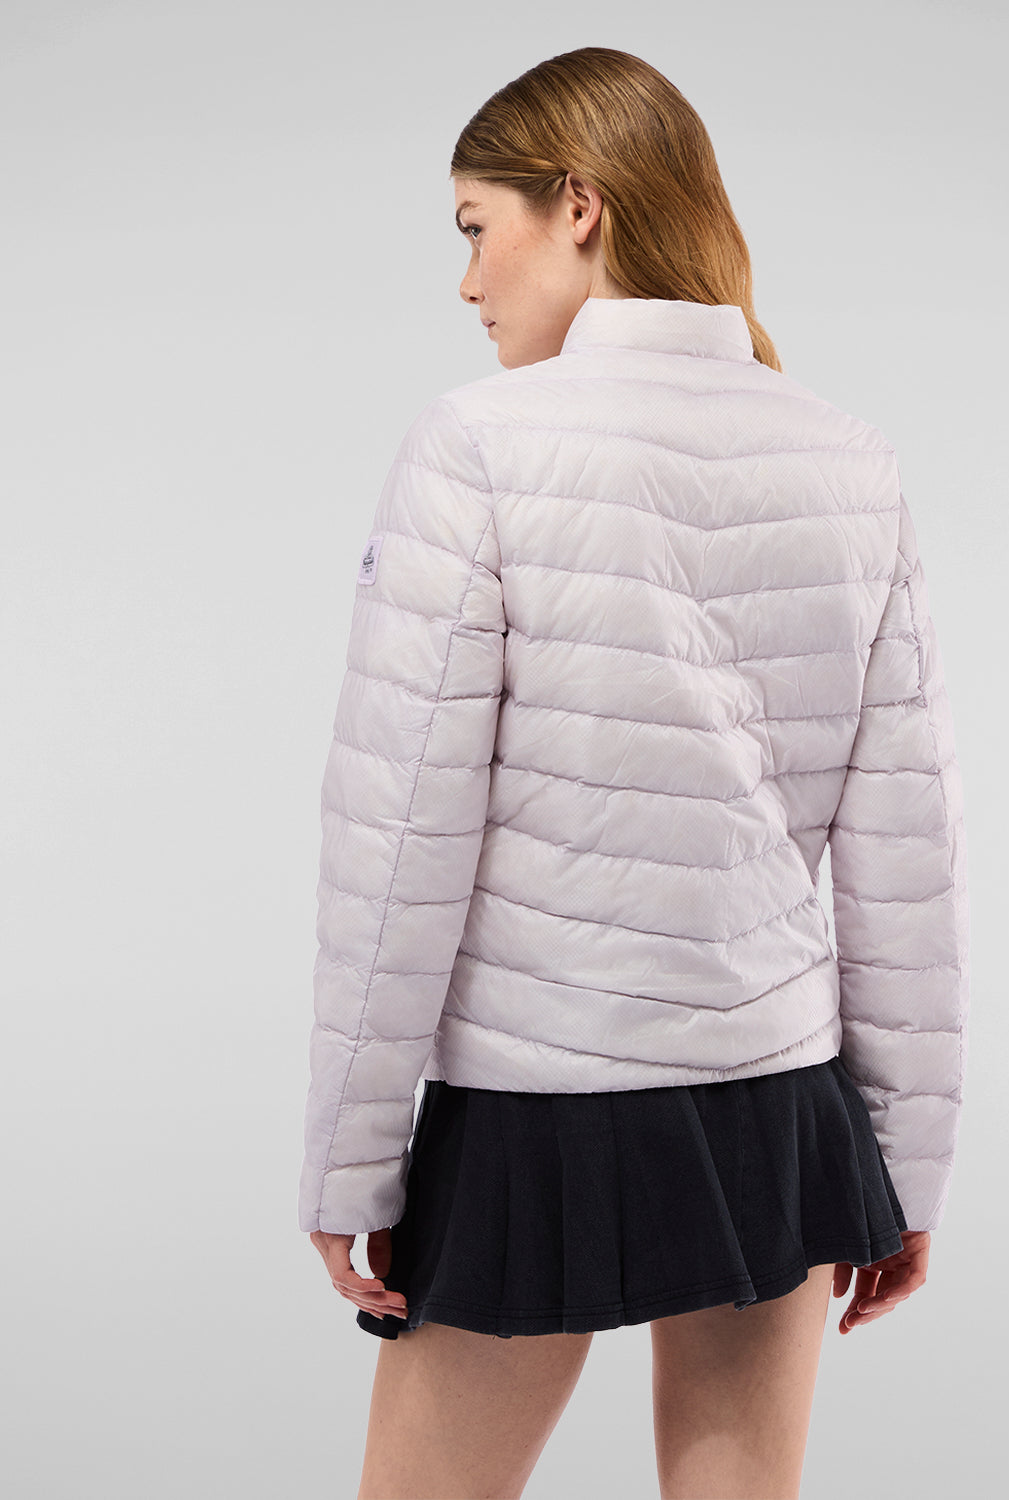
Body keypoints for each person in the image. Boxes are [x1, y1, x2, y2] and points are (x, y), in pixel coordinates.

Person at [298, 45, 970, 1500]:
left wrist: (351, 1162)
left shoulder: (478, 447)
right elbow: (909, 855)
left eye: (476, 227)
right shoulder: (849, 457)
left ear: (580, 205)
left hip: (538, 1095)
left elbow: (400, 836)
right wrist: (904, 1161)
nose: (466, 282)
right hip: (776, 1103)